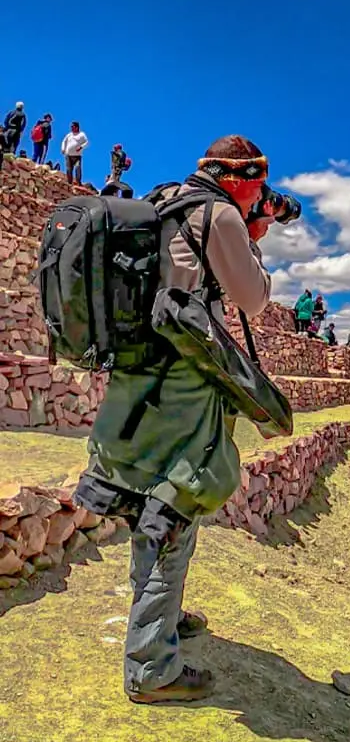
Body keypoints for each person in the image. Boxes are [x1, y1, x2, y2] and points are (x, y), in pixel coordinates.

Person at [71, 134, 286, 703]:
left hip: (142, 368)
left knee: (151, 497)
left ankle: (158, 620)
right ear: (241, 178)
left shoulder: (170, 200)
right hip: (185, 374)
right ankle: (152, 668)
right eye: (259, 185)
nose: (264, 196)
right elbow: (253, 298)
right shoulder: (221, 215)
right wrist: (255, 239)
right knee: (179, 500)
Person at [60, 121, 88, 185]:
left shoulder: (82, 134)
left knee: (78, 168)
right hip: (68, 155)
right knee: (69, 169)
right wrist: (63, 149)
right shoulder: (69, 134)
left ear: (77, 127)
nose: (71, 128)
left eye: (73, 126)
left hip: (77, 156)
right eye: (71, 127)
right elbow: (64, 141)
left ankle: (78, 182)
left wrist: (81, 147)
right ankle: (69, 182)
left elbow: (86, 142)